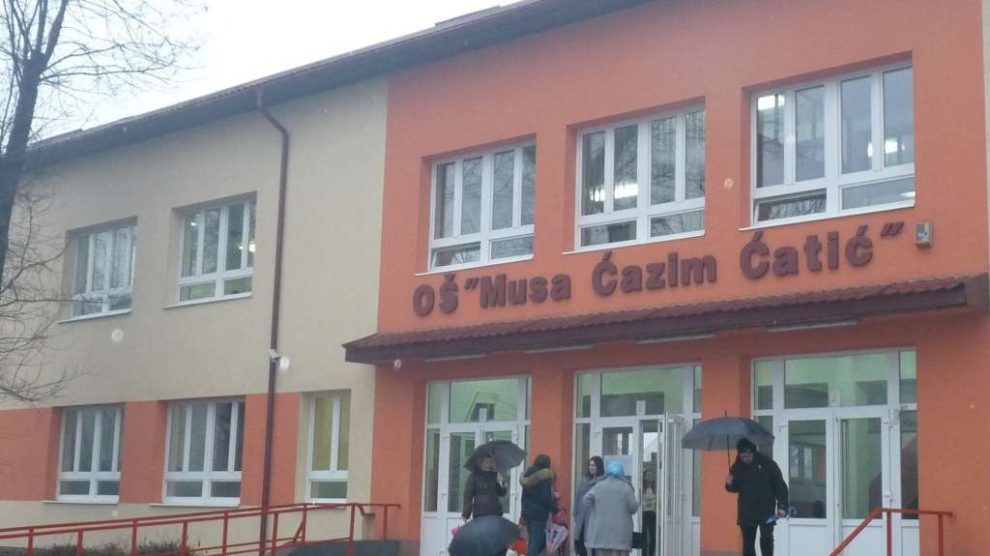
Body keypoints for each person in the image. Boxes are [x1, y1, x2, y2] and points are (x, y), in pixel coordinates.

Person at [724, 438, 789, 556]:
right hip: (746, 511)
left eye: (748, 456)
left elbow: (780, 486)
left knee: (766, 540)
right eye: (743, 456)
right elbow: (734, 488)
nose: (746, 459)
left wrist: (782, 506)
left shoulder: (768, 464)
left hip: (767, 509)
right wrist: (729, 484)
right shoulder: (737, 466)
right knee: (748, 545)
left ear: (753, 452)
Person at [582, 460, 638, 556]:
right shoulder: (626, 487)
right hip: (621, 537)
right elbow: (633, 508)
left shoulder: (599, 486)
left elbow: (586, 499)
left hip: (601, 536)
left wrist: (594, 509)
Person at [520, 454, 558, 556]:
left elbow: (524, 496)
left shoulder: (527, 475)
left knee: (533, 540)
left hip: (527, 512)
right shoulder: (545, 477)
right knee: (536, 541)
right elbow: (545, 497)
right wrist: (554, 509)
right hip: (538, 514)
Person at [573, 456, 605, 556]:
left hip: (593, 518)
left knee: (592, 544)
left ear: (599, 467)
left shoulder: (602, 482)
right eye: (590, 465)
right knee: (580, 542)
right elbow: (578, 497)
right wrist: (575, 513)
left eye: (594, 465)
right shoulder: (584, 480)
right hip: (581, 518)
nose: (591, 467)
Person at [462, 453, 507, 521]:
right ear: (480, 463)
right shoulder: (473, 477)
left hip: (495, 512)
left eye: (490, 462)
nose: (489, 465)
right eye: (486, 462)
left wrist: (501, 482)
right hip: (480, 513)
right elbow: (468, 496)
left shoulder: (494, 475)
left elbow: (502, 493)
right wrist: (466, 514)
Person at [641, 468, 658, 556]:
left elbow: (657, 503)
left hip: (653, 514)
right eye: (648, 475)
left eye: (652, 475)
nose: (650, 477)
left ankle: (651, 553)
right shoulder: (642, 489)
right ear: (644, 477)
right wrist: (650, 502)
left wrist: (649, 502)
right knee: (644, 535)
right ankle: (643, 553)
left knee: (653, 536)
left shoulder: (656, 489)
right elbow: (642, 503)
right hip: (644, 514)